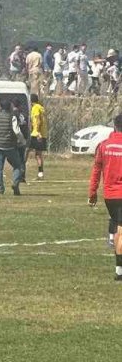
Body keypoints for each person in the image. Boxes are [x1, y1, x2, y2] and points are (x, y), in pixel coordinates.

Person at [88, 111, 122, 280]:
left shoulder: (103, 145)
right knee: (121, 232)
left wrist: (92, 193)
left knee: (117, 228)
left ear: (115, 126)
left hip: (110, 195)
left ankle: (118, 271)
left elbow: (96, 170)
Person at [29, 93, 48, 180]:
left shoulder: (35, 108)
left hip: (36, 133)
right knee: (38, 154)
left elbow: (37, 120)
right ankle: (40, 173)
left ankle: (21, 172)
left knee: (26, 151)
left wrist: (38, 132)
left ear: (31, 101)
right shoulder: (41, 107)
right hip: (42, 133)